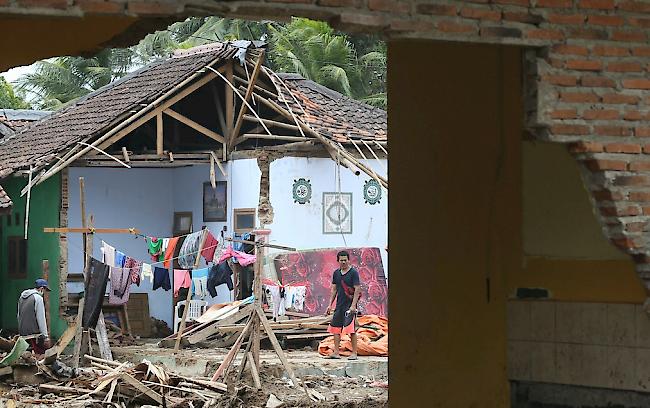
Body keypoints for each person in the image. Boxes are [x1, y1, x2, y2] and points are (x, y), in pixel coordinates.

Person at [325, 250, 361, 360]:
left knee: (351, 330)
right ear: (338, 261)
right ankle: (336, 352)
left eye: (345, 260)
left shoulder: (353, 273)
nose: (344, 262)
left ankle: (354, 353)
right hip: (339, 305)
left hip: (349, 306)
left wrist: (353, 305)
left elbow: (357, 289)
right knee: (336, 329)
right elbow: (334, 289)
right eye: (341, 260)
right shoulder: (336, 273)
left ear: (348, 260)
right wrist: (330, 304)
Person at [17, 279, 51, 355]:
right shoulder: (38, 298)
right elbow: (41, 318)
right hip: (34, 334)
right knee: (42, 354)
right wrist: (45, 336)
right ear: (42, 289)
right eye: (45, 290)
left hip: (23, 333)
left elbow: (19, 315)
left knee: (26, 355)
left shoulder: (21, 297)